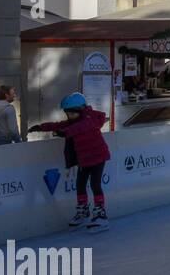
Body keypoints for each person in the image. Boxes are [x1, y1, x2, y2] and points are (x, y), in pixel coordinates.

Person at [28, 93, 111, 232]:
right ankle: (83, 212)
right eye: (68, 114)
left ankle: (100, 214)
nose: (69, 117)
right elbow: (59, 125)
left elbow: (78, 128)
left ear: (81, 110)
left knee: (95, 184)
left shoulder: (90, 119)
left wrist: (64, 133)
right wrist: (41, 127)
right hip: (84, 159)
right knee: (80, 184)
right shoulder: (75, 120)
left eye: (72, 114)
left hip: (98, 157)